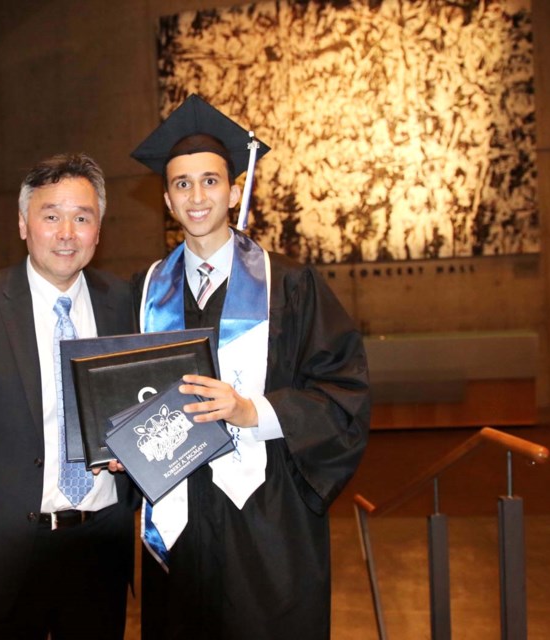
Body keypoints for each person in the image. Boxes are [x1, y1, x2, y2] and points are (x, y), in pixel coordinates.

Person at [129, 95, 372, 639]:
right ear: (167, 199)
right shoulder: (147, 292)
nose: (197, 196)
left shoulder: (290, 284)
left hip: (268, 515)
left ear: (235, 190)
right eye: (183, 184)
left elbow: (345, 394)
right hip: (181, 514)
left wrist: (251, 410)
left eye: (211, 181)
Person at [0, 153, 137, 639]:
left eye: (82, 218)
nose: (67, 232)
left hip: (100, 543)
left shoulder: (124, 301)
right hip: (4, 551)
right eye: (51, 216)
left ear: (98, 231)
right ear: (23, 224)